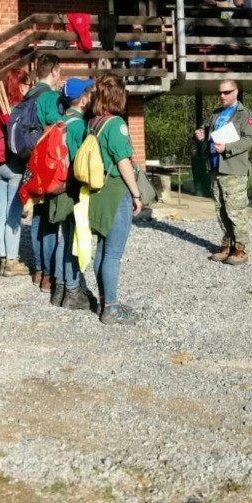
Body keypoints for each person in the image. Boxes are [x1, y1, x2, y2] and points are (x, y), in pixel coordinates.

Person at [82, 75, 144, 325]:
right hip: (115, 192)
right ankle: (111, 308)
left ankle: (104, 300)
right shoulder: (116, 124)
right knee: (113, 254)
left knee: (102, 249)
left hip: (97, 193)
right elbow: (123, 162)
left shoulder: (92, 123)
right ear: (118, 96)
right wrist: (137, 194)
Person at [194, 79, 252, 265]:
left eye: (227, 92)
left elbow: (249, 140)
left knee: (235, 210)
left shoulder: (244, 114)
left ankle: (241, 249)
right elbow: (206, 130)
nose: (222, 96)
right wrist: (201, 134)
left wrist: (227, 147)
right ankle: (227, 245)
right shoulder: (216, 114)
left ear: (236, 92)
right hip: (215, 168)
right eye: (220, 92)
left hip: (234, 170)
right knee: (221, 209)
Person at [49, 77, 93, 308]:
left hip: (57, 187)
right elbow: (80, 163)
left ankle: (59, 289)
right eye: (89, 92)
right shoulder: (79, 125)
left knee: (63, 238)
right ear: (83, 98)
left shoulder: (60, 121)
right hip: (72, 189)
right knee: (73, 240)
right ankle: (73, 291)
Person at [27, 53, 65, 292]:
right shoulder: (50, 97)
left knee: (37, 217)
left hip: (31, 164)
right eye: (59, 71)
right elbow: (60, 125)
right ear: (53, 71)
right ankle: (49, 275)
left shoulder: (28, 94)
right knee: (50, 220)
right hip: (48, 165)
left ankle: (39, 270)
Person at [0, 68, 30, 278]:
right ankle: (12, 261)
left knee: (0, 213)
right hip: (14, 167)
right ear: (21, 86)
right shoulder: (19, 109)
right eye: (27, 84)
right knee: (13, 214)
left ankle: (3, 259)